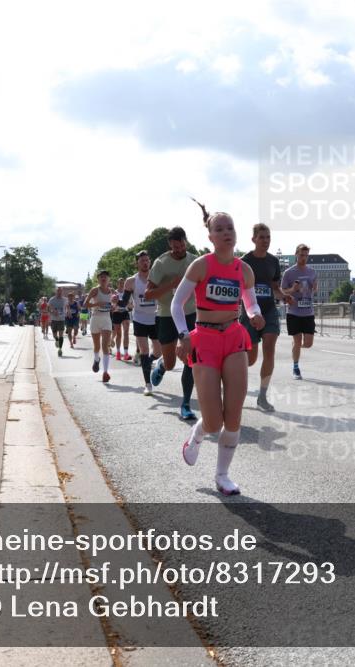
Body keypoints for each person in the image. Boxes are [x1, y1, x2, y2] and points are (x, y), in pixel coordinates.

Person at [171, 206, 263, 495]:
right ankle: (197, 436)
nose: (226, 233)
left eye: (230, 228)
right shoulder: (201, 265)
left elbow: (249, 302)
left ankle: (222, 475)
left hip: (234, 338)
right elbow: (176, 304)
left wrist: (255, 314)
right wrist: (183, 335)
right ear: (210, 236)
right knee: (214, 421)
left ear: (236, 234)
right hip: (205, 340)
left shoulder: (243, 270)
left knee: (234, 416)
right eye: (220, 229)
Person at [146, 226, 198, 420]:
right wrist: (171, 284)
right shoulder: (161, 263)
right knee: (170, 363)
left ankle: (185, 404)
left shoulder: (194, 261)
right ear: (170, 245)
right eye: (175, 247)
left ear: (186, 241)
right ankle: (160, 366)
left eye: (181, 245)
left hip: (190, 314)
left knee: (190, 359)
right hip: (167, 315)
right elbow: (149, 294)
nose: (179, 249)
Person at [240, 223, 286, 411]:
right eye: (262, 237)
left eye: (268, 237)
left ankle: (262, 396)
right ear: (253, 239)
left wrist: (285, 296)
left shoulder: (273, 262)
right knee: (250, 359)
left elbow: (275, 287)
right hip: (250, 313)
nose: (266, 241)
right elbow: (238, 289)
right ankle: (233, 384)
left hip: (269, 310)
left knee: (269, 347)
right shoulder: (244, 261)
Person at [126, 250, 161, 396]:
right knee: (145, 351)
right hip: (140, 319)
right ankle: (148, 384)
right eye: (142, 261)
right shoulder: (131, 281)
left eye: (147, 260)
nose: (145, 263)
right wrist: (118, 302)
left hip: (156, 318)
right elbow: (124, 301)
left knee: (158, 351)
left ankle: (146, 362)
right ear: (137, 263)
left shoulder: (157, 277)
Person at [280, 244, 317, 380]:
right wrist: (293, 289)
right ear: (296, 254)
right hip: (294, 312)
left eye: (306, 255)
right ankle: (296, 368)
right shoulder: (289, 272)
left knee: (308, 343)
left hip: (308, 311)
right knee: (297, 341)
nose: (304, 258)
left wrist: (315, 287)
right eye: (302, 255)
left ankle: (296, 348)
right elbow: (282, 291)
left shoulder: (312, 272)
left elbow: (314, 288)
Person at [86, 271, 115, 382]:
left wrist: (113, 307)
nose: (103, 278)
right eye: (101, 277)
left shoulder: (112, 291)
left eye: (105, 277)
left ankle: (105, 372)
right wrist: (97, 304)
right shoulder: (95, 290)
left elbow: (114, 305)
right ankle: (96, 359)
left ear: (109, 279)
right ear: (98, 279)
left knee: (105, 346)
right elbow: (85, 304)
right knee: (97, 346)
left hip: (107, 319)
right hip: (95, 319)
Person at [111, 277, 132, 362]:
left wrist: (129, 306)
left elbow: (130, 304)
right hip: (116, 314)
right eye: (120, 283)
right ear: (117, 284)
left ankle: (126, 353)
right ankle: (118, 353)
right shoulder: (114, 293)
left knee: (126, 332)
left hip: (125, 313)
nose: (121, 284)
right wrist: (114, 306)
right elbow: (111, 305)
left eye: (123, 283)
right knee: (119, 334)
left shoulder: (127, 293)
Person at [48, 287, 68, 357]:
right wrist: (53, 312)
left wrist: (68, 312)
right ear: (56, 292)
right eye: (58, 291)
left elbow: (67, 306)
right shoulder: (52, 300)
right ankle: (56, 340)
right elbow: (49, 309)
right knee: (54, 335)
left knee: (61, 334)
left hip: (61, 319)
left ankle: (60, 349)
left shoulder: (65, 299)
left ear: (62, 292)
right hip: (54, 319)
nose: (59, 292)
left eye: (60, 291)